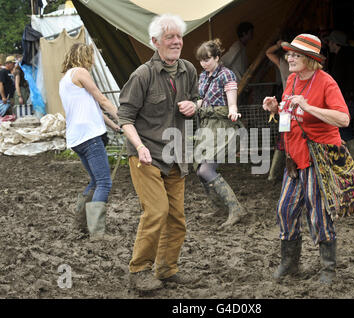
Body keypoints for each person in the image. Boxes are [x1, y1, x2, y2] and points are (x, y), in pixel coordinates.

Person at [262, 34, 354, 284]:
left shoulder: (326, 82)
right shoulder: (293, 80)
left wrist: (309, 107)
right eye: (289, 53)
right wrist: (276, 108)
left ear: (310, 59)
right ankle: (289, 264)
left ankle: (328, 268)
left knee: (318, 214)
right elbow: (290, 111)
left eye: (295, 54)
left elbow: (344, 119)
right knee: (285, 210)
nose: (289, 57)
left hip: (319, 158)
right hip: (294, 159)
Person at [118, 14, 199, 292]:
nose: (176, 42)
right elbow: (125, 117)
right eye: (169, 37)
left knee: (176, 217)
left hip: (177, 155)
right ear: (154, 42)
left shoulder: (188, 69)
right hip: (147, 153)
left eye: (179, 37)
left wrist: (194, 106)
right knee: (156, 211)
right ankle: (139, 270)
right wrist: (139, 147)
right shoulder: (143, 75)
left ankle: (166, 269)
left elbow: (197, 98)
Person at [59, 43, 120, 239]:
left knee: (95, 181)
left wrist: (114, 126)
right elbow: (101, 99)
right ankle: (97, 233)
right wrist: (124, 118)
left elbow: (93, 108)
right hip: (90, 136)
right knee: (104, 182)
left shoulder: (65, 80)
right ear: (85, 56)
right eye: (92, 56)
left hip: (76, 138)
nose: (93, 61)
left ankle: (80, 224)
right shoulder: (80, 72)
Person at [194, 38, 246, 229]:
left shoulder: (227, 75)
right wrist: (191, 106)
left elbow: (232, 102)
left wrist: (233, 110)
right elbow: (202, 100)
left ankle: (236, 208)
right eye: (201, 60)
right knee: (199, 169)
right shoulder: (203, 76)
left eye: (207, 59)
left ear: (217, 57)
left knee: (206, 169)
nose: (204, 63)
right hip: (206, 125)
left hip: (222, 127)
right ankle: (219, 207)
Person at [325, 30, 354, 173]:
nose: (328, 44)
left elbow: (337, 80)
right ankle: (351, 162)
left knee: (343, 129)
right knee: (342, 129)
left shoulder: (342, 57)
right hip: (352, 97)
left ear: (336, 43)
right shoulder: (350, 55)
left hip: (347, 98)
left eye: (329, 42)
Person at [265, 38, 292, 181]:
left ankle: (273, 174)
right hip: (289, 106)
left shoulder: (282, 62)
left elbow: (268, 52)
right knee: (286, 138)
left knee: (283, 138)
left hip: (287, 105)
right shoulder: (285, 62)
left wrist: (277, 45)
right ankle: (278, 172)